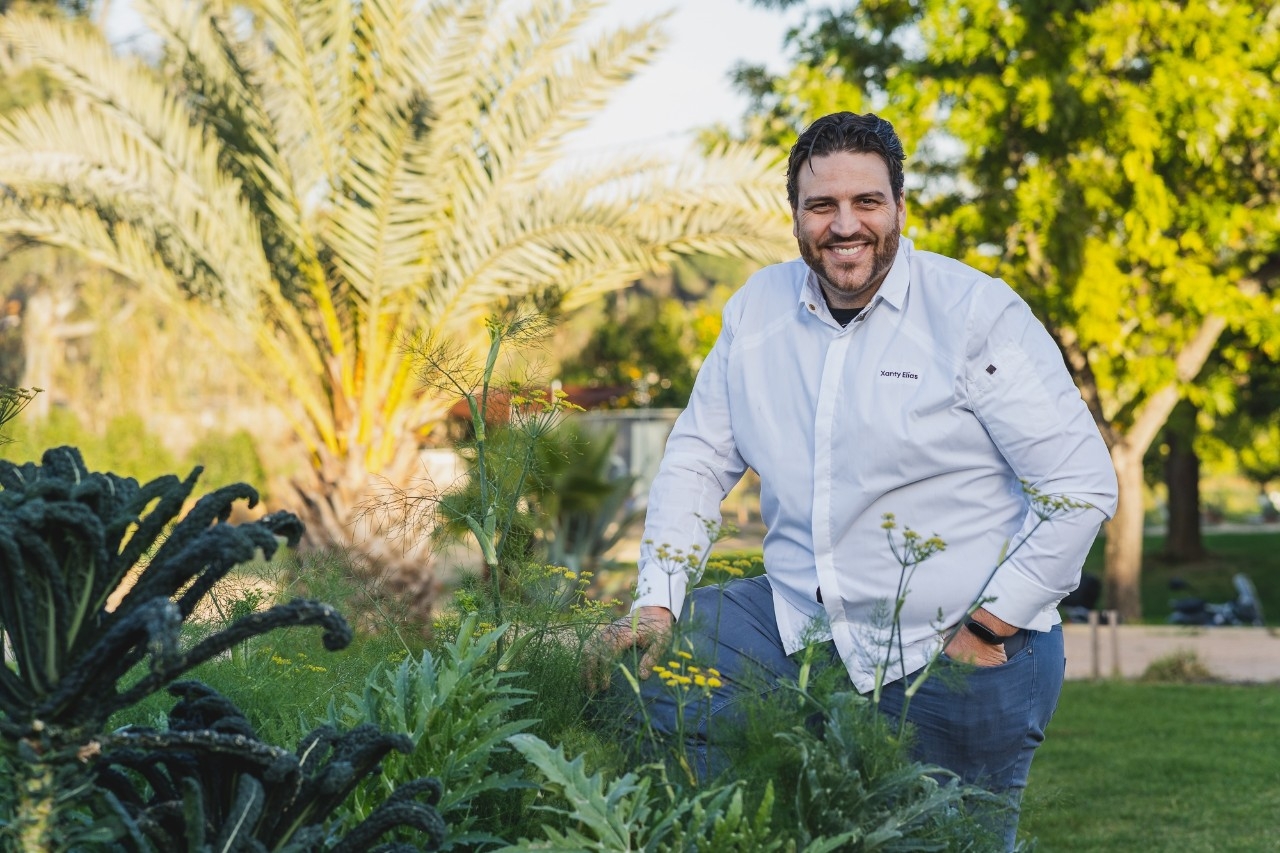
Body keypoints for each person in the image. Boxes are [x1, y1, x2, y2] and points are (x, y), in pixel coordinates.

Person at [586, 112, 1118, 849]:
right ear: (796, 216)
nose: (845, 225)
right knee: (652, 675)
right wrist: (655, 601)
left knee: (948, 840)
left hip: (961, 646)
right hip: (797, 625)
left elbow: (1081, 485)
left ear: (901, 207)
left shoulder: (973, 313)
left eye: (866, 202)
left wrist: (987, 627)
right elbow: (698, 459)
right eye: (822, 206)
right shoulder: (756, 313)